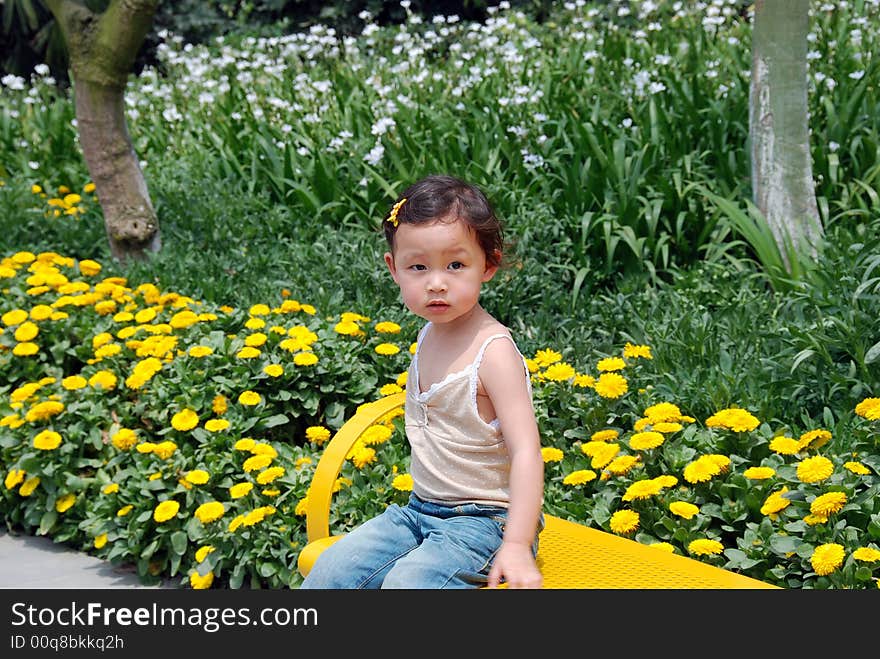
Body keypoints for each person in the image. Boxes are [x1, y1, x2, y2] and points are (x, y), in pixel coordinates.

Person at [300, 174, 545, 589]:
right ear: (394, 269)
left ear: (488, 264)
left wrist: (518, 543)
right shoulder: (429, 331)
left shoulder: (494, 353)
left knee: (407, 586)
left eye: (455, 264)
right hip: (420, 510)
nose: (436, 282)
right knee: (331, 572)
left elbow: (526, 451)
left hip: (488, 522)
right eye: (419, 267)